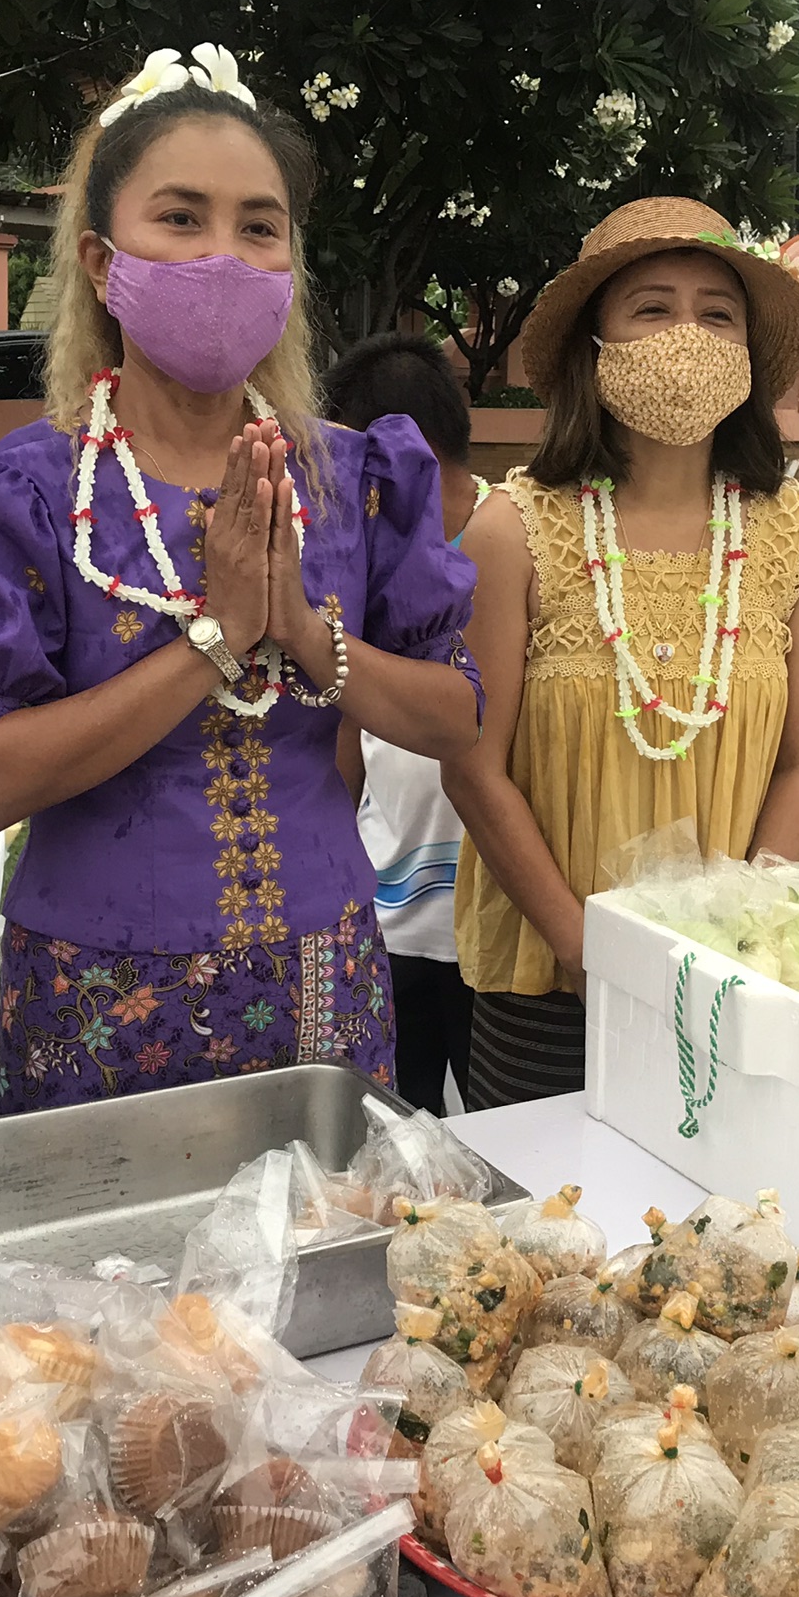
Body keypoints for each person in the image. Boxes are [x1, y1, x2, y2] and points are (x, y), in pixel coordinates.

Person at [0, 46, 482, 1112]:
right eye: (180, 218)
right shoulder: (21, 495)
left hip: (322, 978)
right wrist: (211, 640)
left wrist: (303, 632)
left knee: (329, 1219)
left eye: (259, 227)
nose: (223, 255)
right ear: (99, 259)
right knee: (102, 1229)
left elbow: (454, 716)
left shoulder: (354, 480)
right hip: (94, 993)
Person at [447, 197, 799, 1107]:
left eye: (718, 313)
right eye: (652, 308)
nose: (687, 335)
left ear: (748, 353)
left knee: (729, 1190)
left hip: (732, 983)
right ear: (595, 344)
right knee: (545, 1196)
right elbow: (474, 768)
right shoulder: (513, 531)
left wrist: (740, 942)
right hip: (550, 982)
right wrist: (584, 948)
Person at [323, 333, 487, 1113]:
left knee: (501, 1131)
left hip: (489, 919)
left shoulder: (508, 545)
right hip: (390, 915)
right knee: (399, 1136)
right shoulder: (357, 553)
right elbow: (344, 728)